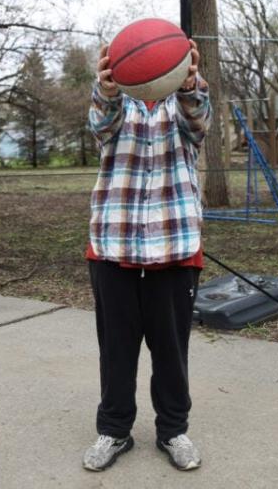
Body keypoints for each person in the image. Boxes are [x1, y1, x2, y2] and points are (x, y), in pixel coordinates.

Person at [82, 39, 210, 472]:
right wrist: (108, 89)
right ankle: (115, 431)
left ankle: (173, 430)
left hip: (174, 247)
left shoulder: (184, 105)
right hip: (114, 245)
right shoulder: (116, 106)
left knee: (171, 350)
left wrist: (190, 84)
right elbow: (100, 125)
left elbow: (200, 123)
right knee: (116, 348)